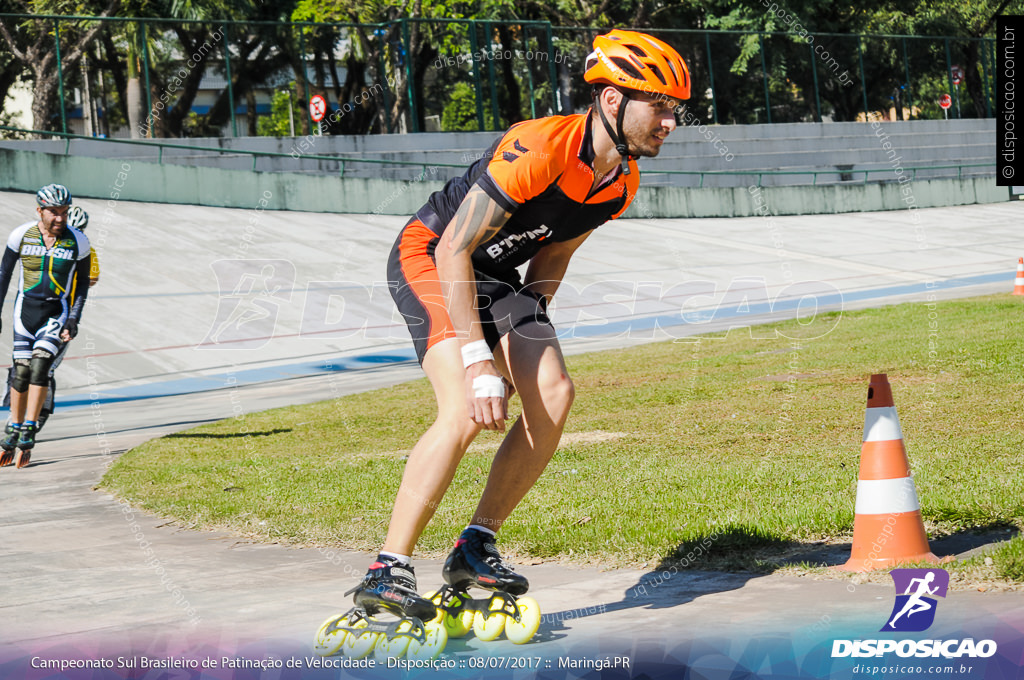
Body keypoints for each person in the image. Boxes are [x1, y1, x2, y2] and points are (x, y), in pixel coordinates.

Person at [349, 30, 689, 619]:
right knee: (462, 408)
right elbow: (454, 247)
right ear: (613, 101)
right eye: (659, 105)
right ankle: (387, 568)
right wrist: (480, 359)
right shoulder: (539, 148)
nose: (670, 122)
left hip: (497, 277)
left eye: (675, 110)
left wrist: (520, 345)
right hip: (432, 257)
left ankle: (475, 545)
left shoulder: (621, 181)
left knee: (553, 392)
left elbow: (552, 257)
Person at [0, 184, 91, 467]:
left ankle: (29, 425)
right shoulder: (21, 235)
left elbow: (83, 285)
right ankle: (14, 425)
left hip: (55, 312)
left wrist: (73, 318)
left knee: (40, 367)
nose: (60, 219)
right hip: (24, 312)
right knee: (21, 370)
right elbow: (3, 275)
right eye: (54, 213)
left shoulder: (78, 242)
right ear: (39, 210)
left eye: (64, 212)